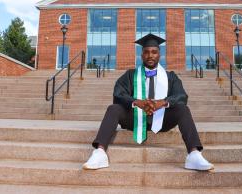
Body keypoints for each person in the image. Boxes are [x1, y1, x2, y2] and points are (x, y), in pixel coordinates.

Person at [83, 33, 214, 171]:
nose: (150, 55)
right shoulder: (130, 75)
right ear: (141, 55)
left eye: (154, 52)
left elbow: (181, 96)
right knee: (113, 108)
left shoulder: (171, 77)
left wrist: (162, 103)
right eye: (146, 52)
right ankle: (100, 152)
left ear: (159, 55)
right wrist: (136, 102)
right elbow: (118, 94)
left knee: (183, 110)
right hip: (134, 118)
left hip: (163, 120)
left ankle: (194, 154)